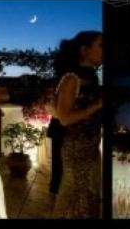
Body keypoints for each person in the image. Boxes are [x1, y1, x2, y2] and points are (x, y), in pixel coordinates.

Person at [51, 31, 103, 218]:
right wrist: (97, 104)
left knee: (88, 196)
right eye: (101, 46)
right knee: (73, 197)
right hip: (75, 149)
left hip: (90, 147)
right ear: (84, 50)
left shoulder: (92, 77)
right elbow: (65, 118)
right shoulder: (71, 78)